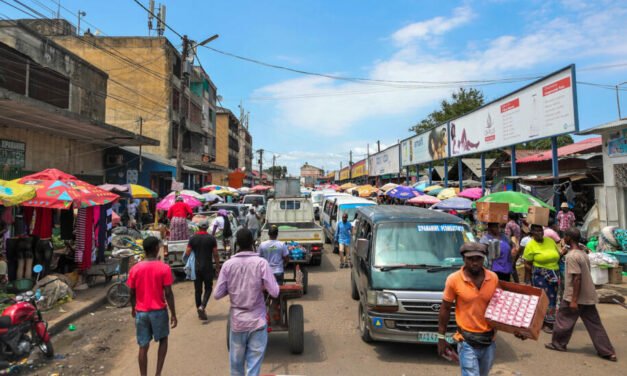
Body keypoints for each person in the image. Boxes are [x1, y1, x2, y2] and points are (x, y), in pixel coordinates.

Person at [438, 243, 525, 376]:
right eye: (470, 259)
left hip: (489, 341)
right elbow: (445, 308)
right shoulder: (454, 280)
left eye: (478, 259)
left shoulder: (493, 278)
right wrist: (441, 337)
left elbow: (501, 308)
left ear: (484, 258)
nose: (474, 263)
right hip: (466, 341)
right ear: (463, 259)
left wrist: (517, 329)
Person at [215, 229, 280, 376]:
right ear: (253, 243)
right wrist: (262, 285)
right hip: (257, 322)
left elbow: (217, 294)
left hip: (238, 322)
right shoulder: (261, 263)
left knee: (236, 368)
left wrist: (232, 287)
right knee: (253, 368)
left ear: (237, 244)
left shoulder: (228, 265)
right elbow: (275, 292)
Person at [545, 228, 617, 361]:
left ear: (568, 238)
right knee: (595, 324)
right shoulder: (582, 253)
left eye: (565, 236)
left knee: (562, 320)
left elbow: (577, 278)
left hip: (574, 296)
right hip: (588, 295)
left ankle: (558, 344)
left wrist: (573, 300)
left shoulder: (572, 256)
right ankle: (607, 351)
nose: (563, 239)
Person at [127, 237, 177, 376]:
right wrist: (173, 313)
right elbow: (168, 293)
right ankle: (158, 373)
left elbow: (131, 292)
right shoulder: (164, 268)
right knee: (163, 340)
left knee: (143, 346)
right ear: (156, 249)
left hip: (141, 312)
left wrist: (133, 308)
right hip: (159, 312)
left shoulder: (135, 269)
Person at [523, 224, 561, 333]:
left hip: (554, 274)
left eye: (541, 231)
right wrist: (529, 279)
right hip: (541, 276)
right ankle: (545, 323)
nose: (540, 233)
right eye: (536, 231)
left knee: (554, 298)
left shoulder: (550, 241)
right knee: (544, 299)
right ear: (532, 233)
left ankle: (551, 320)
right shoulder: (530, 245)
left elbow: (557, 255)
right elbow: (527, 264)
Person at [185, 219, 220, 321]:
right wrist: (217, 266)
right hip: (208, 267)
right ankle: (202, 306)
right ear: (207, 227)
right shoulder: (211, 239)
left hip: (196, 268)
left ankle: (199, 309)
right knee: (208, 288)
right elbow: (215, 254)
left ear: (198, 227)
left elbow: (187, 252)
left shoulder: (193, 238)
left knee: (198, 290)